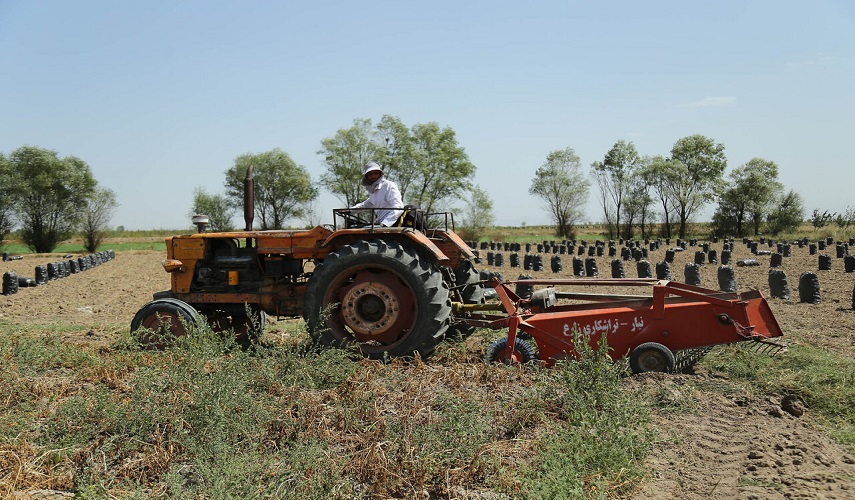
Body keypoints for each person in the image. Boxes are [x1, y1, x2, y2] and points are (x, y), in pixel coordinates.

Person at [350, 161, 404, 226]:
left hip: (392, 223)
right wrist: (350, 211)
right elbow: (367, 204)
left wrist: (385, 223)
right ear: (367, 177)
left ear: (380, 174)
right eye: (370, 174)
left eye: (375, 173)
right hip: (380, 221)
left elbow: (398, 207)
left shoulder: (388, 185)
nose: (373, 176)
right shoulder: (373, 190)